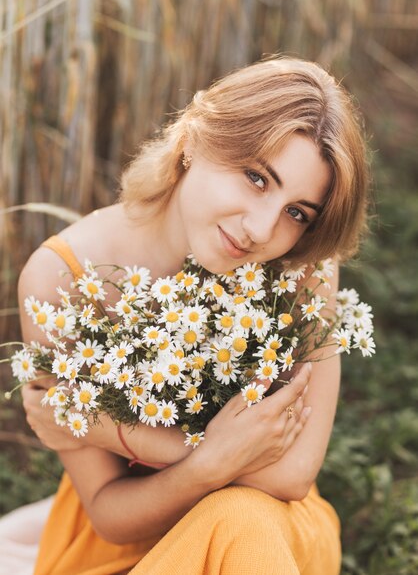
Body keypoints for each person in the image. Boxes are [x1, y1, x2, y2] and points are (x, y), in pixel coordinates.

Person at [13, 56, 368, 574]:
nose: (263, 229)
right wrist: (208, 459)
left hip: (272, 526)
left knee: (241, 519)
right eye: (256, 178)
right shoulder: (60, 279)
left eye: (297, 212)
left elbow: (292, 476)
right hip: (124, 545)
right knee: (236, 516)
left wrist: (104, 428)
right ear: (196, 138)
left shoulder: (302, 269)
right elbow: (110, 514)